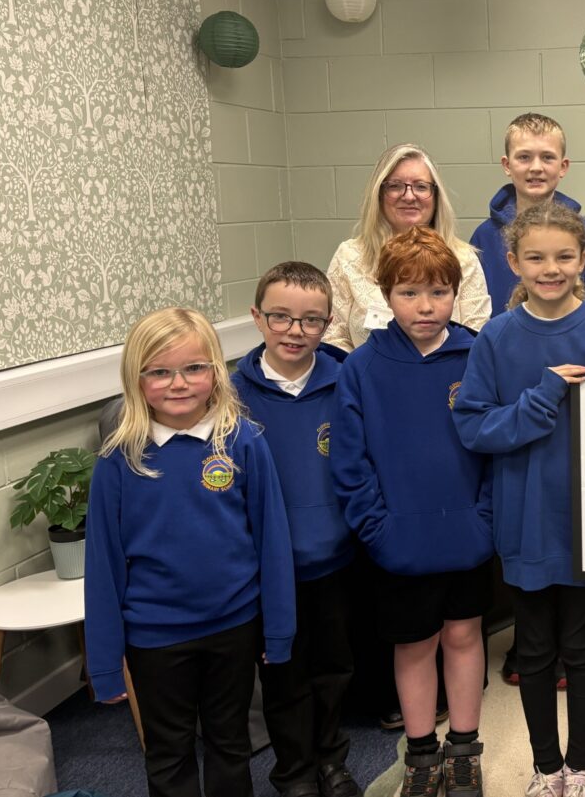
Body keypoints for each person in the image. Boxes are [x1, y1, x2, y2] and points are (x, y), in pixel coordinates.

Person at [453, 202, 585, 797]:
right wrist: (543, 394)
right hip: (523, 518)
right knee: (532, 649)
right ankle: (546, 767)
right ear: (513, 262)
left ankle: (582, 767)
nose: (549, 268)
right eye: (535, 257)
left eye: (562, 256)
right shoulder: (497, 337)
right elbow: (474, 427)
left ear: (583, 259)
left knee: (582, 646)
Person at [84, 307, 296, 797]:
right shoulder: (119, 459)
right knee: (168, 752)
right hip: (154, 637)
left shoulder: (243, 442)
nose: (178, 383)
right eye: (159, 372)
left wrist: (279, 629)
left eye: (194, 368)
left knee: (230, 744)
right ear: (136, 379)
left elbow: (272, 541)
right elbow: (103, 566)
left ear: (215, 372)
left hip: (234, 627)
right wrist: (105, 662)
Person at [333, 226, 494, 797]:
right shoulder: (362, 367)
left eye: (438, 292)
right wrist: (377, 529)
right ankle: (422, 755)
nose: (425, 306)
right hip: (398, 540)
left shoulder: (479, 356)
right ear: (386, 295)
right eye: (409, 292)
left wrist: (486, 520)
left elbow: (497, 448)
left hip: (469, 535)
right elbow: (350, 464)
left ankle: (464, 750)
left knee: (464, 636)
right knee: (415, 644)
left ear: (455, 293)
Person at [233, 263, 359, 797]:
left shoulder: (346, 380)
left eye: (310, 320)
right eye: (280, 317)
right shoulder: (230, 394)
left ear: (328, 324)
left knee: (333, 668)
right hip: (267, 567)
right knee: (281, 673)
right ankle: (294, 771)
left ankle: (331, 760)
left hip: (335, 558)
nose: (294, 331)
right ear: (257, 317)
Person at [324, 142, 491, 351]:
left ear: (436, 195)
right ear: (379, 194)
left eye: (421, 186)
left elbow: (476, 339)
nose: (409, 196)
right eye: (395, 186)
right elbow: (333, 339)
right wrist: (362, 369)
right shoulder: (349, 257)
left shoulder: (463, 259)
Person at [471, 111, 585, 317]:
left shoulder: (584, 232)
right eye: (524, 157)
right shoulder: (484, 237)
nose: (536, 167)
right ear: (507, 165)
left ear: (563, 166)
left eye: (547, 157)